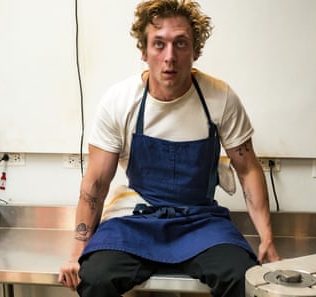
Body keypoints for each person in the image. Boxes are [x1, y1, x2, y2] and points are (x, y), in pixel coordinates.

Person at [59, 0, 280, 296]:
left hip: (200, 221)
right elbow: (96, 184)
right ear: (144, 50)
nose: (169, 57)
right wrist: (77, 250)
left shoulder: (220, 98)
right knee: (95, 277)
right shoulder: (120, 101)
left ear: (196, 51)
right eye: (159, 44)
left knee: (242, 277)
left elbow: (248, 169)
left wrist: (267, 238)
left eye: (180, 44)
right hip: (134, 218)